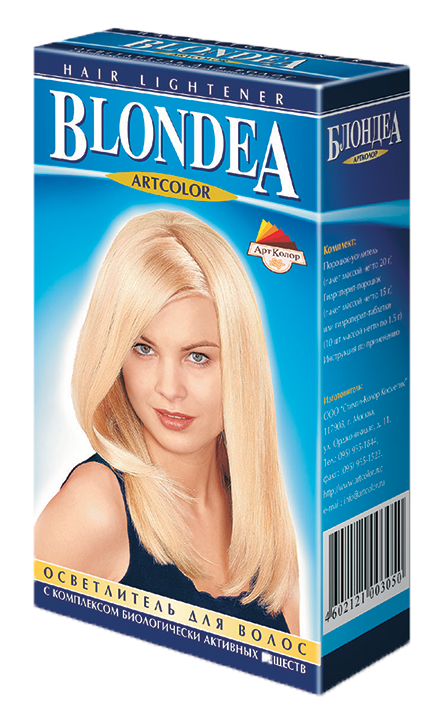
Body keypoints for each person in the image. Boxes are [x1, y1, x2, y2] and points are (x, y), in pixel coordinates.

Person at [33, 210, 300, 634]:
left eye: (198, 357)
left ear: (241, 366)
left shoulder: (263, 527)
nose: (169, 388)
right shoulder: (93, 509)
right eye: (144, 349)